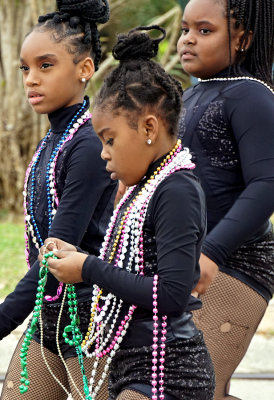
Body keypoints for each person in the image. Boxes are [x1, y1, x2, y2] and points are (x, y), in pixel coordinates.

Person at [38, 25, 215, 400]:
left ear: (148, 127)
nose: (104, 153)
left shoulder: (177, 190)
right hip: (129, 366)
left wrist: (86, 267)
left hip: (168, 373)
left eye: (110, 140)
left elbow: (171, 294)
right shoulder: (143, 189)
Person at [0, 1, 117, 399]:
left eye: (45, 66)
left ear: (85, 69)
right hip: (50, 311)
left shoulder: (87, 144)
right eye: (25, 68)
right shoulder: (55, 138)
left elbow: (57, 251)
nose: (31, 79)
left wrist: (2, 318)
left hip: (92, 318)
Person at [177, 0, 274, 399]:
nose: (188, 40)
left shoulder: (251, 96)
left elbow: (267, 183)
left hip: (234, 260)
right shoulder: (185, 98)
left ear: (244, 37)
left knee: (189, 390)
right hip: (187, 262)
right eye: (185, 29)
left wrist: (212, 252)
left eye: (204, 31)